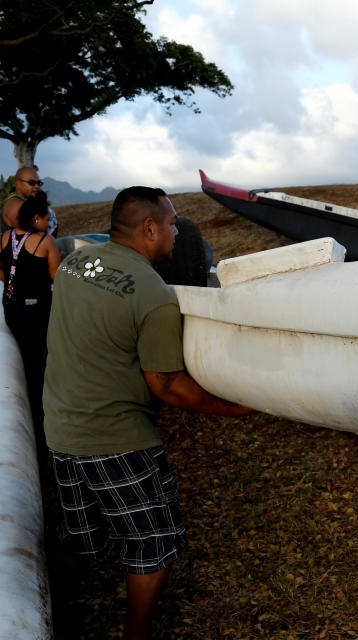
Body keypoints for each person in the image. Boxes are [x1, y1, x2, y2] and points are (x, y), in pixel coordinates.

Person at [43, 186, 255, 640]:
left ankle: (52, 608)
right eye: (173, 223)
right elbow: (166, 385)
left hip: (61, 426)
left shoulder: (77, 264)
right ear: (150, 228)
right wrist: (233, 407)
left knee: (80, 535)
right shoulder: (153, 296)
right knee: (153, 543)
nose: (178, 232)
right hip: (115, 437)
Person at [0, 190, 60, 442]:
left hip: (12, 309)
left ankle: (33, 417)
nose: (49, 224)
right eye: (47, 219)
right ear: (36, 218)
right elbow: (57, 276)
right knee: (42, 364)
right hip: (38, 312)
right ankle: (46, 421)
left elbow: (2, 274)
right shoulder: (45, 241)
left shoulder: (4, 237)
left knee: (26, 362)